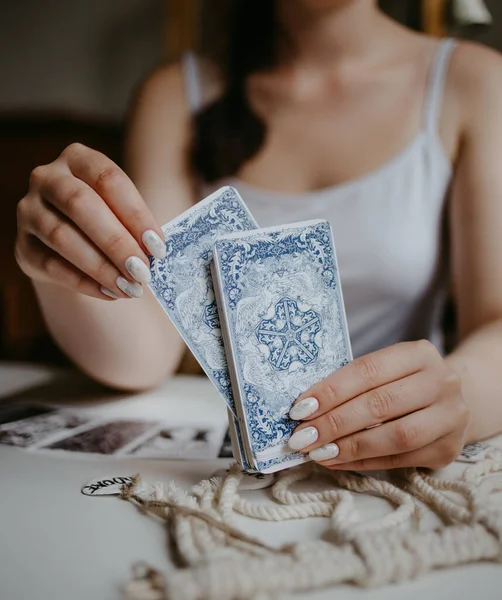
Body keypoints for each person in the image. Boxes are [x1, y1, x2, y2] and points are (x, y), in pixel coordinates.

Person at [15, 0, 502, 471]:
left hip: (399, 464)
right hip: (228, 469)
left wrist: (458, 395)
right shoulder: (175, 95)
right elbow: (144, 352)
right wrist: (58, 270)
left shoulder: (474, 82)